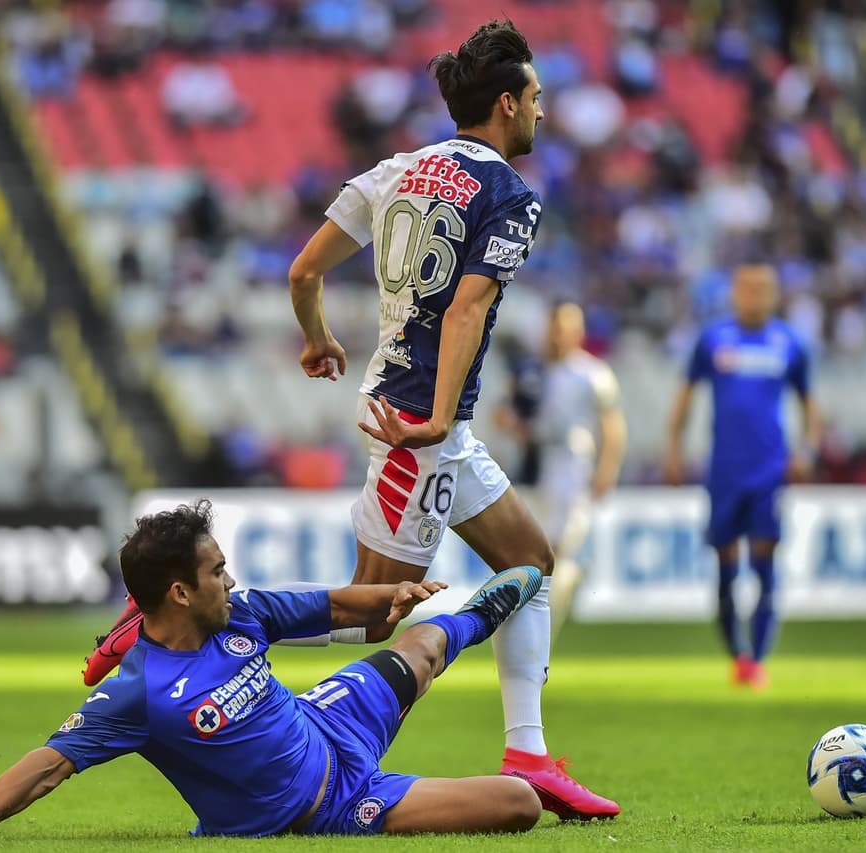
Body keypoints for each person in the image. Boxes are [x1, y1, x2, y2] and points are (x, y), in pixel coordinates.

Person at [285, 19, 618, 819]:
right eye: (536, 98)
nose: (543, 111)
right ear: (507, 104)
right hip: (419, 427)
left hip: (426, 418)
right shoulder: (509, 192)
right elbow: (468, 306)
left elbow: (303, 271)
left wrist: (320, 338)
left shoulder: (397, 169)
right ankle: (203, 623)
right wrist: (435, 419)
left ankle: (529, 754)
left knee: (528, 563)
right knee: (375, 616)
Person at [0, 501, 546, 842]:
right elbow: (47, 763)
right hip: (332, 805)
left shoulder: (243, 613)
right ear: (179, 592)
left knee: (424, 646)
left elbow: (334, 603)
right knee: (518, 801)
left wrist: (394, 596)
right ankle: (475, 619)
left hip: (325, 719)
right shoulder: (140, 693)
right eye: (216, 571)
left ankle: (482, 611)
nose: (229, 579)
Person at [664, 263, 819, 689]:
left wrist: (808, 449)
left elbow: (809, 403)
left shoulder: (790, 342)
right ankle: (739, 656)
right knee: (726, 567)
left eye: (764, 288)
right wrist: (674, 449)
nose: (755, 295)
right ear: (734, 292)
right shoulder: (714, 339)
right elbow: (686, 396)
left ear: (775, 294)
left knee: (765, 563)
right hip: (725, 470)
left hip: (770, 470)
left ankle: (760, 657)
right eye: (747, 288)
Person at [499, 302, 626, 638]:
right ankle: (539, 618)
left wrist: (606, 471)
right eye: (554, 326)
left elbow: (611, 426)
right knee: (536, 552)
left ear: (578, 332)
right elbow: (502, 413)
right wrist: (517, 429)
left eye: (566, 327)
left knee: (559, 547)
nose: (558, 334)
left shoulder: (592, 374)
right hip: (532, 466)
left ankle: (544, 627)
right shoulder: (530, 370)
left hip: (572, 467)